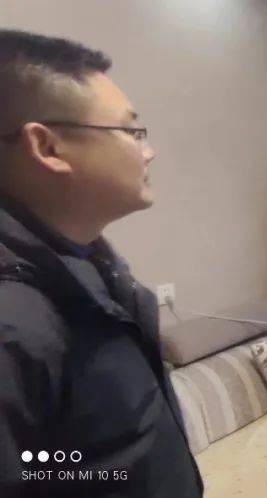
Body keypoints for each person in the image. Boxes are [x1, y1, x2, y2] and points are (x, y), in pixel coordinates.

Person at [0, 30, 202, 497]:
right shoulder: (14, 319)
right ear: (48, 148)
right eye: (131, 132)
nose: (148, 150)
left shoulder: (92, 268)